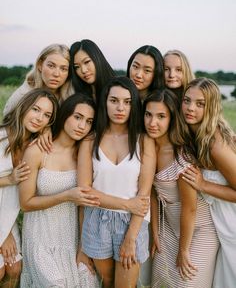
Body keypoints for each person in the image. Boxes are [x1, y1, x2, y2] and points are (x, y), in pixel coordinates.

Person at [77, 76, 156, 288]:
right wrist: (125, 204)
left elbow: (144, 194)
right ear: (105, 102)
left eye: (127, 102)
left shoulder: (143, 140)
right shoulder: (90, 140)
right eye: (114, 101)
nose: (120, 107)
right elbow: (85, 191)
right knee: (108, 282)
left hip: (133, 221)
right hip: (96, 220)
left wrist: (131, 236)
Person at [19, 93, 101, 288]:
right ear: (65, 115)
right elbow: (25, 203)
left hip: (72, 235)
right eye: (77, 117)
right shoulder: (37, 151)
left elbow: (84, 206)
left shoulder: (85, 153)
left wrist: (83, 248)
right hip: (40, 236)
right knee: (57, 284)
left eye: (89, 121)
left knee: (86, 282)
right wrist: (66, 196)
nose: (82, 126)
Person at [143, 89, 219, 288]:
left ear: (172, 119)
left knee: (186, 282)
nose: (153, 123)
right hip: (168, 226)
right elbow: (151, 190)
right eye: (148, 114)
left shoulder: (182, 156)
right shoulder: (148, 146)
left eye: (161, 116)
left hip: (198, 230)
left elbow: (190, 208)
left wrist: (184, 250)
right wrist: (156, 231)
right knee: (160, 280)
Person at [181, 77, 236, 288]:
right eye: (187, 101)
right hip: (221, 227)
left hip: (232, 226)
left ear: (211, 107)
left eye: (200, 104)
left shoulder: (215, 143)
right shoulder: (197, 136)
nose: (190, 108)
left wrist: (203, 185)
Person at [0, 89, 58, 288]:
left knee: (15, 268)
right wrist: (9, 179)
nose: (40, 118)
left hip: (7, 213)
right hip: (2, 218)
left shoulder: (34, 144)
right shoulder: (1, 137)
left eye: (47, 115)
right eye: (36, 109)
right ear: (24, 107)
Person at [3, 44, 72, 116]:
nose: (56, 74)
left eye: (63, 69)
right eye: (51, 66)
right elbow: (7, 124)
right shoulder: (23, 95)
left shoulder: (69, 97)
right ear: (40, 65)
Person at [69, 39, 115, 104]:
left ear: (97, 58)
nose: (83, 70)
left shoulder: (117, 89)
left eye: (86, 62)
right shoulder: (75, 94)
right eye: (77, 67)